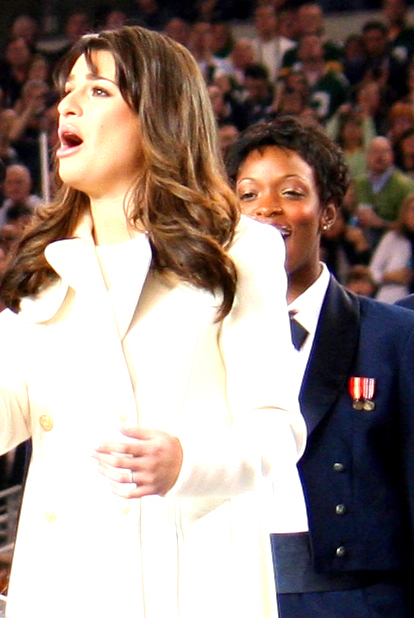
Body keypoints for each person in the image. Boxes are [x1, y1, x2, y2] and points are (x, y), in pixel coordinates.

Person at [0, 26, 305, 618]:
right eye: (66, 90)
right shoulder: (47, 262)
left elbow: (276, 431)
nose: (68, 103)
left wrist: (185, 463)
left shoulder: (238, 249)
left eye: (99, 89)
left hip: (186, 580)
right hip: (63, 584)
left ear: (158, 116)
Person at [226, 115, 414, 618]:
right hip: (231, 591)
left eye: (290, 192)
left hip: (361, 602)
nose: (266, 208)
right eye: (247, 196)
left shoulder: (393, 336)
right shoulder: (198, 336)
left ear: (327, 212)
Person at [369, 192, 414, 303]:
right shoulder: (392, 238)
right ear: (404, 213)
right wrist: (389, 276)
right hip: (392, 301)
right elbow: (372, 272)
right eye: (413, 210)